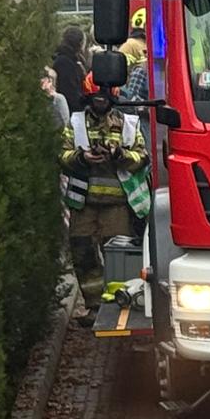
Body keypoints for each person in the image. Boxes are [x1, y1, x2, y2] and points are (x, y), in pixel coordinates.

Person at [60, 76, 147, 322]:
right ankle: (94, 307)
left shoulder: (128, 123)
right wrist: (82, 158)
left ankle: (122, 305)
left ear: (112, 97)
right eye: (96, 96)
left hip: (117, 206)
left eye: (105, 96)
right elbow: (62, 154)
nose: (100, 100)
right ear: (88, 97)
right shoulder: (76, 123)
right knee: (83, 255)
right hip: (83, 205)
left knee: (118, 257)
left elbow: (142, 158)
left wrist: (119, 155)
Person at [53, 26, 88, 114]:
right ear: (80, 43)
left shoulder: (75, 60)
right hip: (71, 112)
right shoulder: (64, 63)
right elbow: (70, 92)